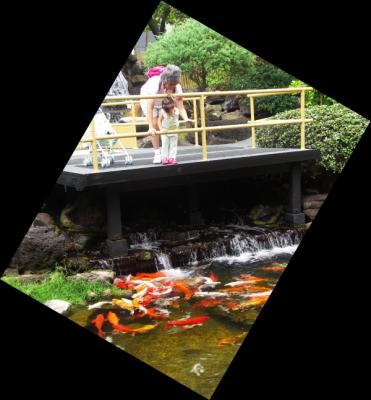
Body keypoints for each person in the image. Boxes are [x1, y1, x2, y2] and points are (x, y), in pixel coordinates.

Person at [140, 64, 189, 163]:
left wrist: (186, 119)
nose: (172, 87)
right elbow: (150, 107)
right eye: (170, 84)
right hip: (148, 100)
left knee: (167, 122)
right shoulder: (155, 83)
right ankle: (157, 153)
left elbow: (180, 106)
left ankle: (167, 153)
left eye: (174, 84)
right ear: (165, 81)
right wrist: (150, 127)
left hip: (164, 102)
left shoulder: (177, 87)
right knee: (154, 124)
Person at [158, 97, 179, 165]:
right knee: (165, 145)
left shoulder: (175, 110)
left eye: (171, 109)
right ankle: (164, 158)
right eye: (168, 110)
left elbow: (177, 113)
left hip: (173, 131)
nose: (170, 111)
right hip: (165, 131)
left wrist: (174, 111)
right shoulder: (162, 111)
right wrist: (161, 129)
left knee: (173, 145)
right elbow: (159, 121)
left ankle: (172, 158)